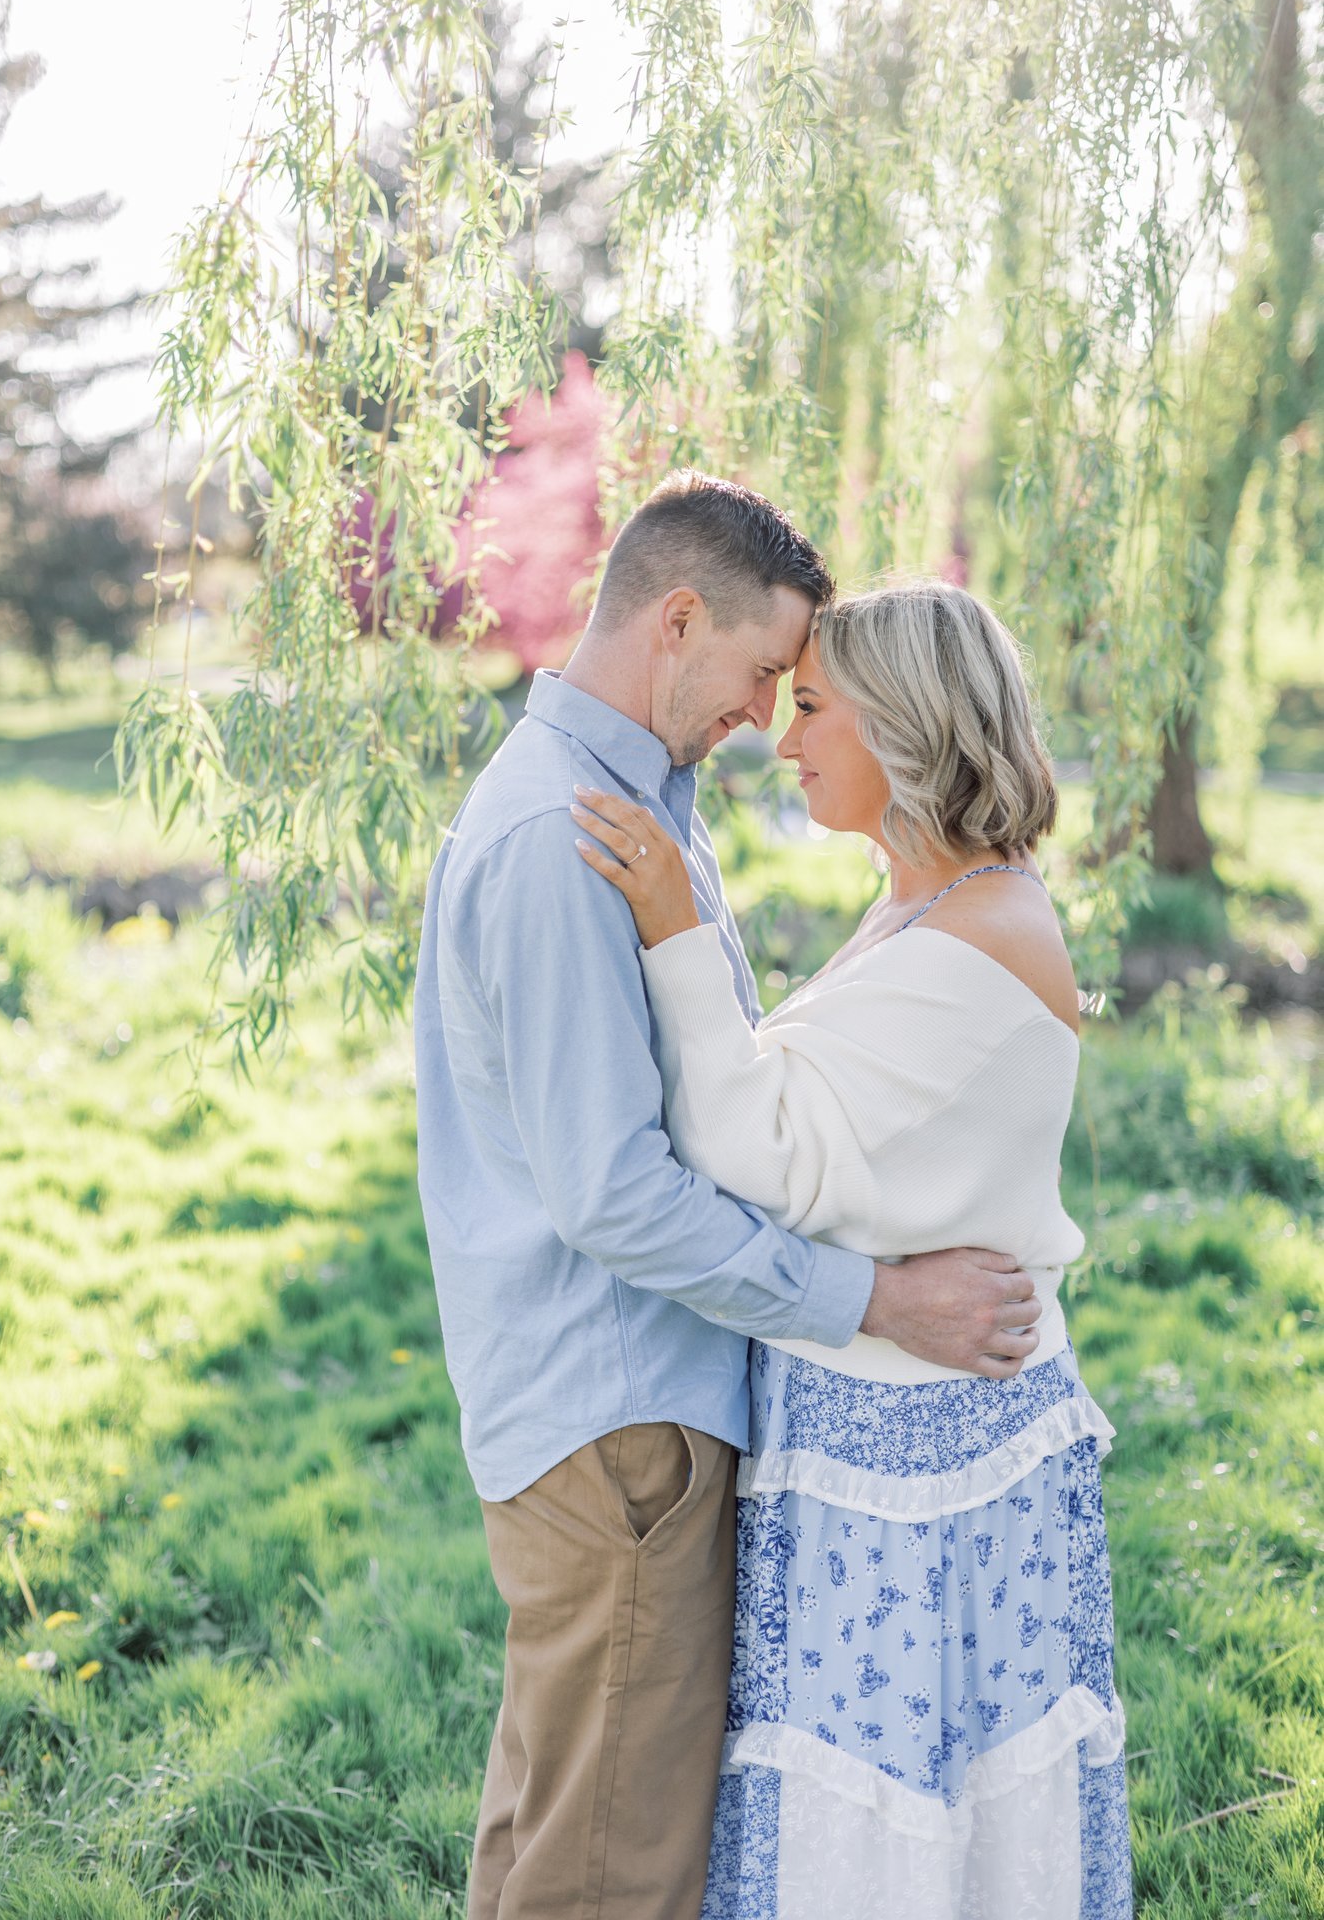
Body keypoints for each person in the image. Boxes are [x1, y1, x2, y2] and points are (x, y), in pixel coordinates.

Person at [413, 472, 1047, 1920]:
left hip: (608, 1405)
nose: (768, 718)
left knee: (552, 1829)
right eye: (765, 671)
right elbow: (616, 1196)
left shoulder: (629, 806)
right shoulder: (565, 837)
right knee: (610, 1870)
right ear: (675, 618)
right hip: (621, 1421)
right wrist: (875, 1299)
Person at [573, 574, 1132, 1919]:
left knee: (891, 1824)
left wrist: (673, 935)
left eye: (812, 703)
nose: (784, 734)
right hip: (876, 1439)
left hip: (920, 1479)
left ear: (904, 723)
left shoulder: (974, 941)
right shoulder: (926, 909)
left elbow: (759, 1154)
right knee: (865, 1812)